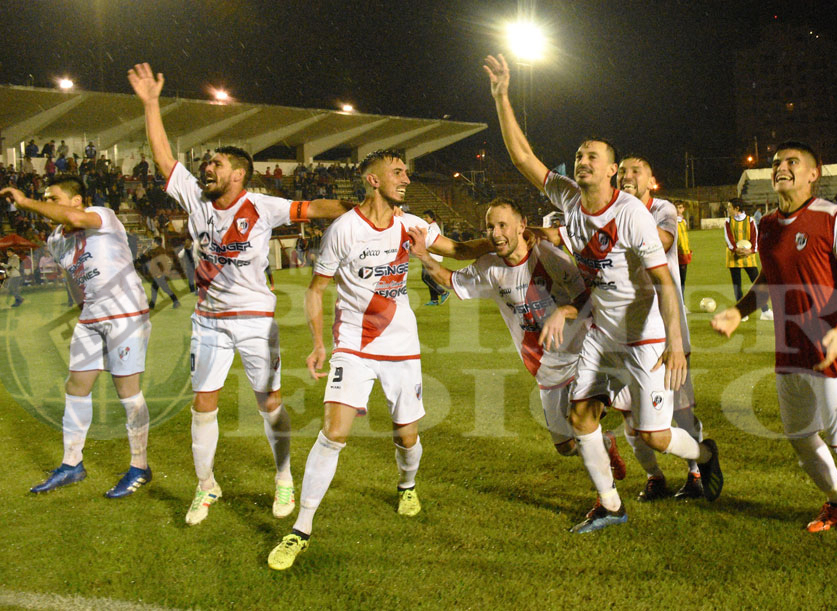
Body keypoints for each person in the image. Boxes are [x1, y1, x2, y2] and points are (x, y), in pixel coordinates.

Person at [484, 53, 721, 535]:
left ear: (613, 170)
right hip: (600, 333)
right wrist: (502, 96)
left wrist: (675, 343)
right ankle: (611, 505)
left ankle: (704, 452)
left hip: (644, 338)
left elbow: (664, 282)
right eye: (579, 155)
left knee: (654, 435)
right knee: (581, 415)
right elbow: (522, 158)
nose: (582, 161)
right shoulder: (570, 199)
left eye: (593, 156)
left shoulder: (632, 214)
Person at [130, 62, 358, 526]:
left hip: (255, 321)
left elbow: (315, 207)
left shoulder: (262, 206)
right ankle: (206, 485)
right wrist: (151, 104)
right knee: (203, 403)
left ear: (239, 173)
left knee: (268, 403)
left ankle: (283, 476)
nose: (205, 167)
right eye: (205, 163)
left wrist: (364, 209)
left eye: (215, 162)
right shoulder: (195, 198)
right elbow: (162, 158)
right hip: (208, 321)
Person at [267, 149, 492, 570]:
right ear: (373, 180)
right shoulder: (344, 230)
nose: (406, 178)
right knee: (333, 433)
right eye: (397, 172)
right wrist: (319, 343)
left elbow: (459, 250)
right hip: (353, 342)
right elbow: (316, 289)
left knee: (406, 436)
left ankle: (406, 485)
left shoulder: (412, 225)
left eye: (406, 171)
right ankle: (301, 528)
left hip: (401, 345)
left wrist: (503, 240)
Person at [712, 141, 837, 549]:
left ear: (813, 173)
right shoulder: (766, 226)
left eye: (792, 162)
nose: (782, 168)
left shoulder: (833, 218)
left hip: (836, 351)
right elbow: (769, 279)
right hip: (790, 351)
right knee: (801, 440)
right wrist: (738, 311)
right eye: (778, 163)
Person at [407, 198, 628, 473]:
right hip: (545, 368)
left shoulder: (549, 257)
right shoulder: (489, 267)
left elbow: (589, 300)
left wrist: (563, 312)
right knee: (565, 446)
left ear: (522, 225)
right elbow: (450, 280)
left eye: (503, 225)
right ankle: (606, 444)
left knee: (599, 420)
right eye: (490, 227)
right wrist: (424, 257)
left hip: (582, 355)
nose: (496, 234)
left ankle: (615, 495)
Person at [2, 175, 153, 498]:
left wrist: (26, 201)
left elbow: (73, 218)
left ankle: (140, 466)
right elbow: (73, 276)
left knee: (127, 391)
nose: (48, 204)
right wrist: (83, 305)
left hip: (125, 313)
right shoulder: (56, 238)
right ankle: (72, 464)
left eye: (53, 198)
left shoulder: (102, 216)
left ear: (76, 200)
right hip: (91, 316)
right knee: (76, 386)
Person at [616, 155, 705, 500]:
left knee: (680, 407)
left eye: (636, 171)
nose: (627, 176)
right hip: (624, 330)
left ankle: (697, 470)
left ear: (651, 181)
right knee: (629, 414)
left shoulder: (663, 209)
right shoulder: (610, 210)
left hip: (667, 328)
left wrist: (624, 214)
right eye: (622, 170)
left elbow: (664, 242)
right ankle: (654, 476)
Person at [725, 199, 771, 321]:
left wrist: (751, 251)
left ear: (737, 208)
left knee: (757, 283)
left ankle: (765, 311)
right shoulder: (727, 221)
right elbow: (728, 238)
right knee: (737, 285)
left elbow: (755, 237)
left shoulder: (750, 220)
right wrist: (736, 249)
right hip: (734, 256)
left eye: (729, 207)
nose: (728, 209)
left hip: (749, 256)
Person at [419, 209, 450, 305]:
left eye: (426, 217)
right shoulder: (432, 226)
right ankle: (434, 300)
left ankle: (443, 292)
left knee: (426, 278)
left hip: (431, 256)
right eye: (424, 217)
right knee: (430, 278)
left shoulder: (432, 228)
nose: (424, 219)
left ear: (432, 218)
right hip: (431, 256)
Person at [676, 201, 692, 296]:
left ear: (683, 209)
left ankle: (682, 303)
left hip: (684, 254)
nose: (678, 210)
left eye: (680, 207)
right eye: (676, 207)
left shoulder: (683, 221)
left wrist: (688, 250)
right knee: (676, 281)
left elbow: (685, 238)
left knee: (682, 280)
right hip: (676, 254)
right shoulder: (672, 221)